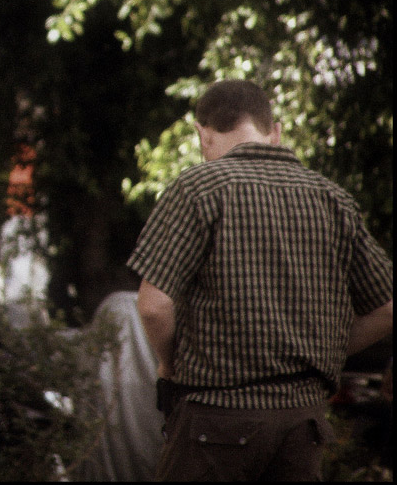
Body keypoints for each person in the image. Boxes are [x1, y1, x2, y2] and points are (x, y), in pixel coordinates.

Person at [128, 79, 392, 481]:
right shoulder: (333, 199)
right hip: (302, 425)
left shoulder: (199, 189)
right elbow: (387, 308)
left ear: (202, 133)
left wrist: (170, 362)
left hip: (215, 423)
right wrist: (329, 350)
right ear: (276, 130)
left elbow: (153, 305)